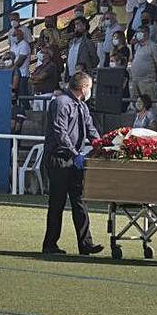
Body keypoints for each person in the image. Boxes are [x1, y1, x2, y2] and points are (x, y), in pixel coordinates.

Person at [41, 72, 103, 256]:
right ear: (84, 87)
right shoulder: (61, 103)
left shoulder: (82, 106)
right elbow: (60, 133)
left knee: (79, 201)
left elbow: (91, 129)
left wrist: (101, 145)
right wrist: (75, 154)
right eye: (89, 87)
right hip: (59, 158)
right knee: (57, 203)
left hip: (73, 159)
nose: (90, 90)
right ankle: (50, 244)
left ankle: (86, 244)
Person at [129, 25, 157, 100]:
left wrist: (154, 74)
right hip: (135, 79)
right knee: (136, 101)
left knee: (148, 100)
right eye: (138, 32)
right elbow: (131, 42)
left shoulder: (152, 46)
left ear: (147, 33)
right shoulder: (138, 46)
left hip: (147, 80)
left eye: (141, 32)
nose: (138, 34)